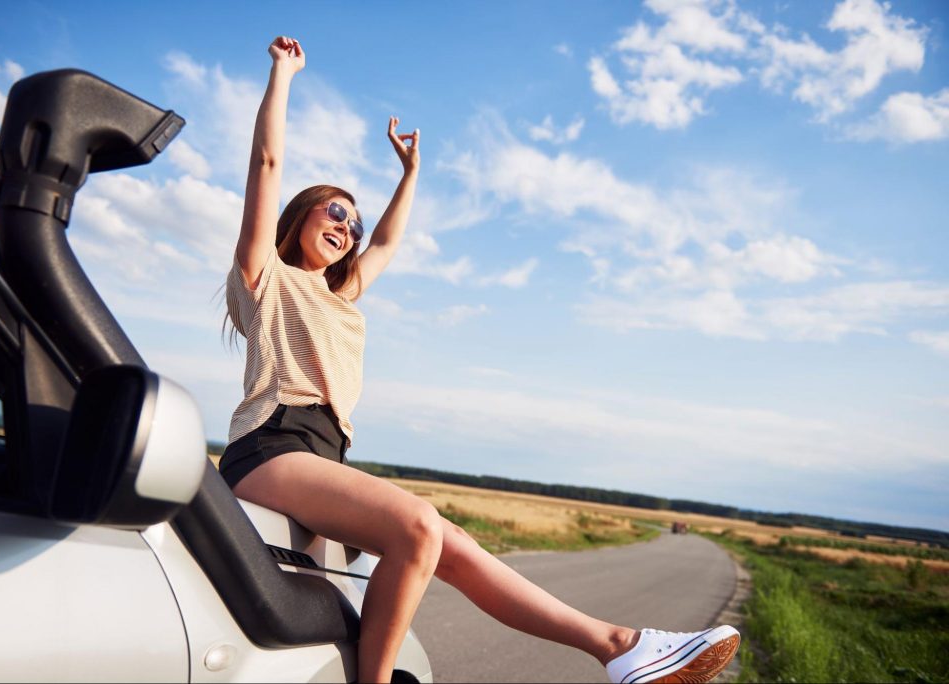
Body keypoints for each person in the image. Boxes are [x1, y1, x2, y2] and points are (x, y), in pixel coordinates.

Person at [219, 35, 741, 684]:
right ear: (300, 215)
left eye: (351, 223)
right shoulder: (264, 273)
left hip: (324, 456)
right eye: (334, 211)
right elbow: (267, 163)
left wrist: (410, 176)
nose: (347, 228)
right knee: (415, 525)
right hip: (272, 446)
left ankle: (619, 645)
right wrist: (284, 75)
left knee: (449, 542)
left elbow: (385, 241)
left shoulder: (341, 297)